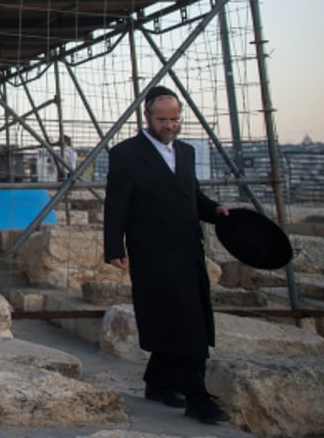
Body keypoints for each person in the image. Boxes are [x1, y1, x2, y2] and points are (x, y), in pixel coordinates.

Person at [103, 86, 231, 425]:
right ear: (147, 116)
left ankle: (158, 382)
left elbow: (191, 195)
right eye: (163, 119)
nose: (170, 125)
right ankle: (197, 397)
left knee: (182, 317)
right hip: (153, 252)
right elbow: (117, 204)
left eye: (175, 119)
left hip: (188, 250)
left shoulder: (186, 153)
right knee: (186, 322)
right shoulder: (126, 154)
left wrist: (216, 210)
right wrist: (114, 248)